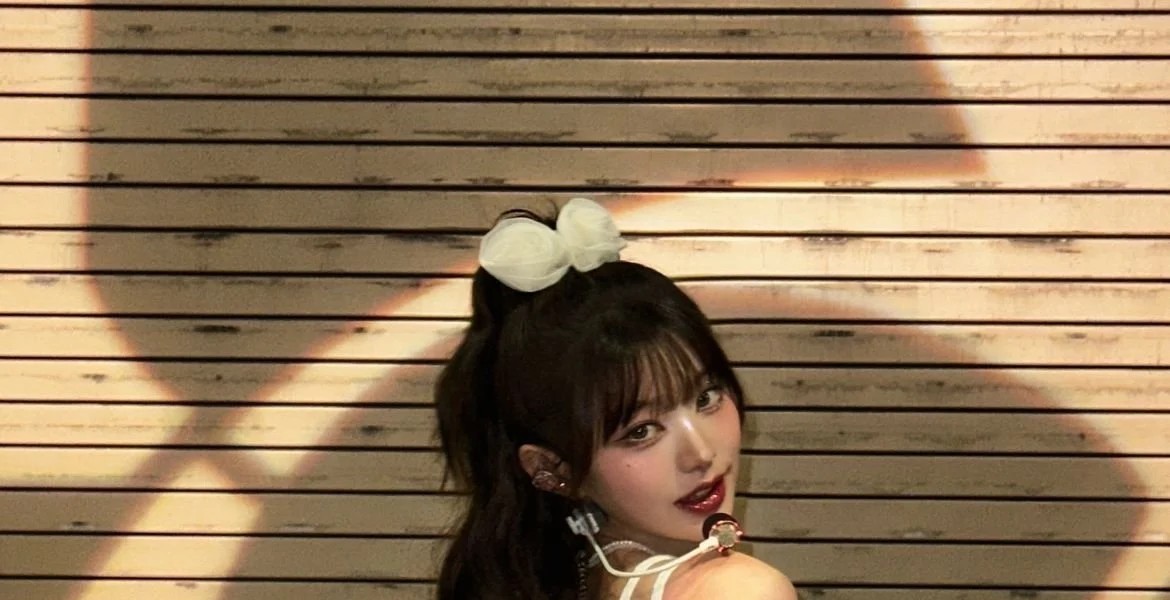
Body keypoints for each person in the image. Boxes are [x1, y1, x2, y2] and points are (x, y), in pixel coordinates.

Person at [434, 198, 797, 600]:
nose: (700, 453)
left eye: (706, 397)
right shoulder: (737, 589)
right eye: (641, 431)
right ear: (551, 468)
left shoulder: (559, 578)